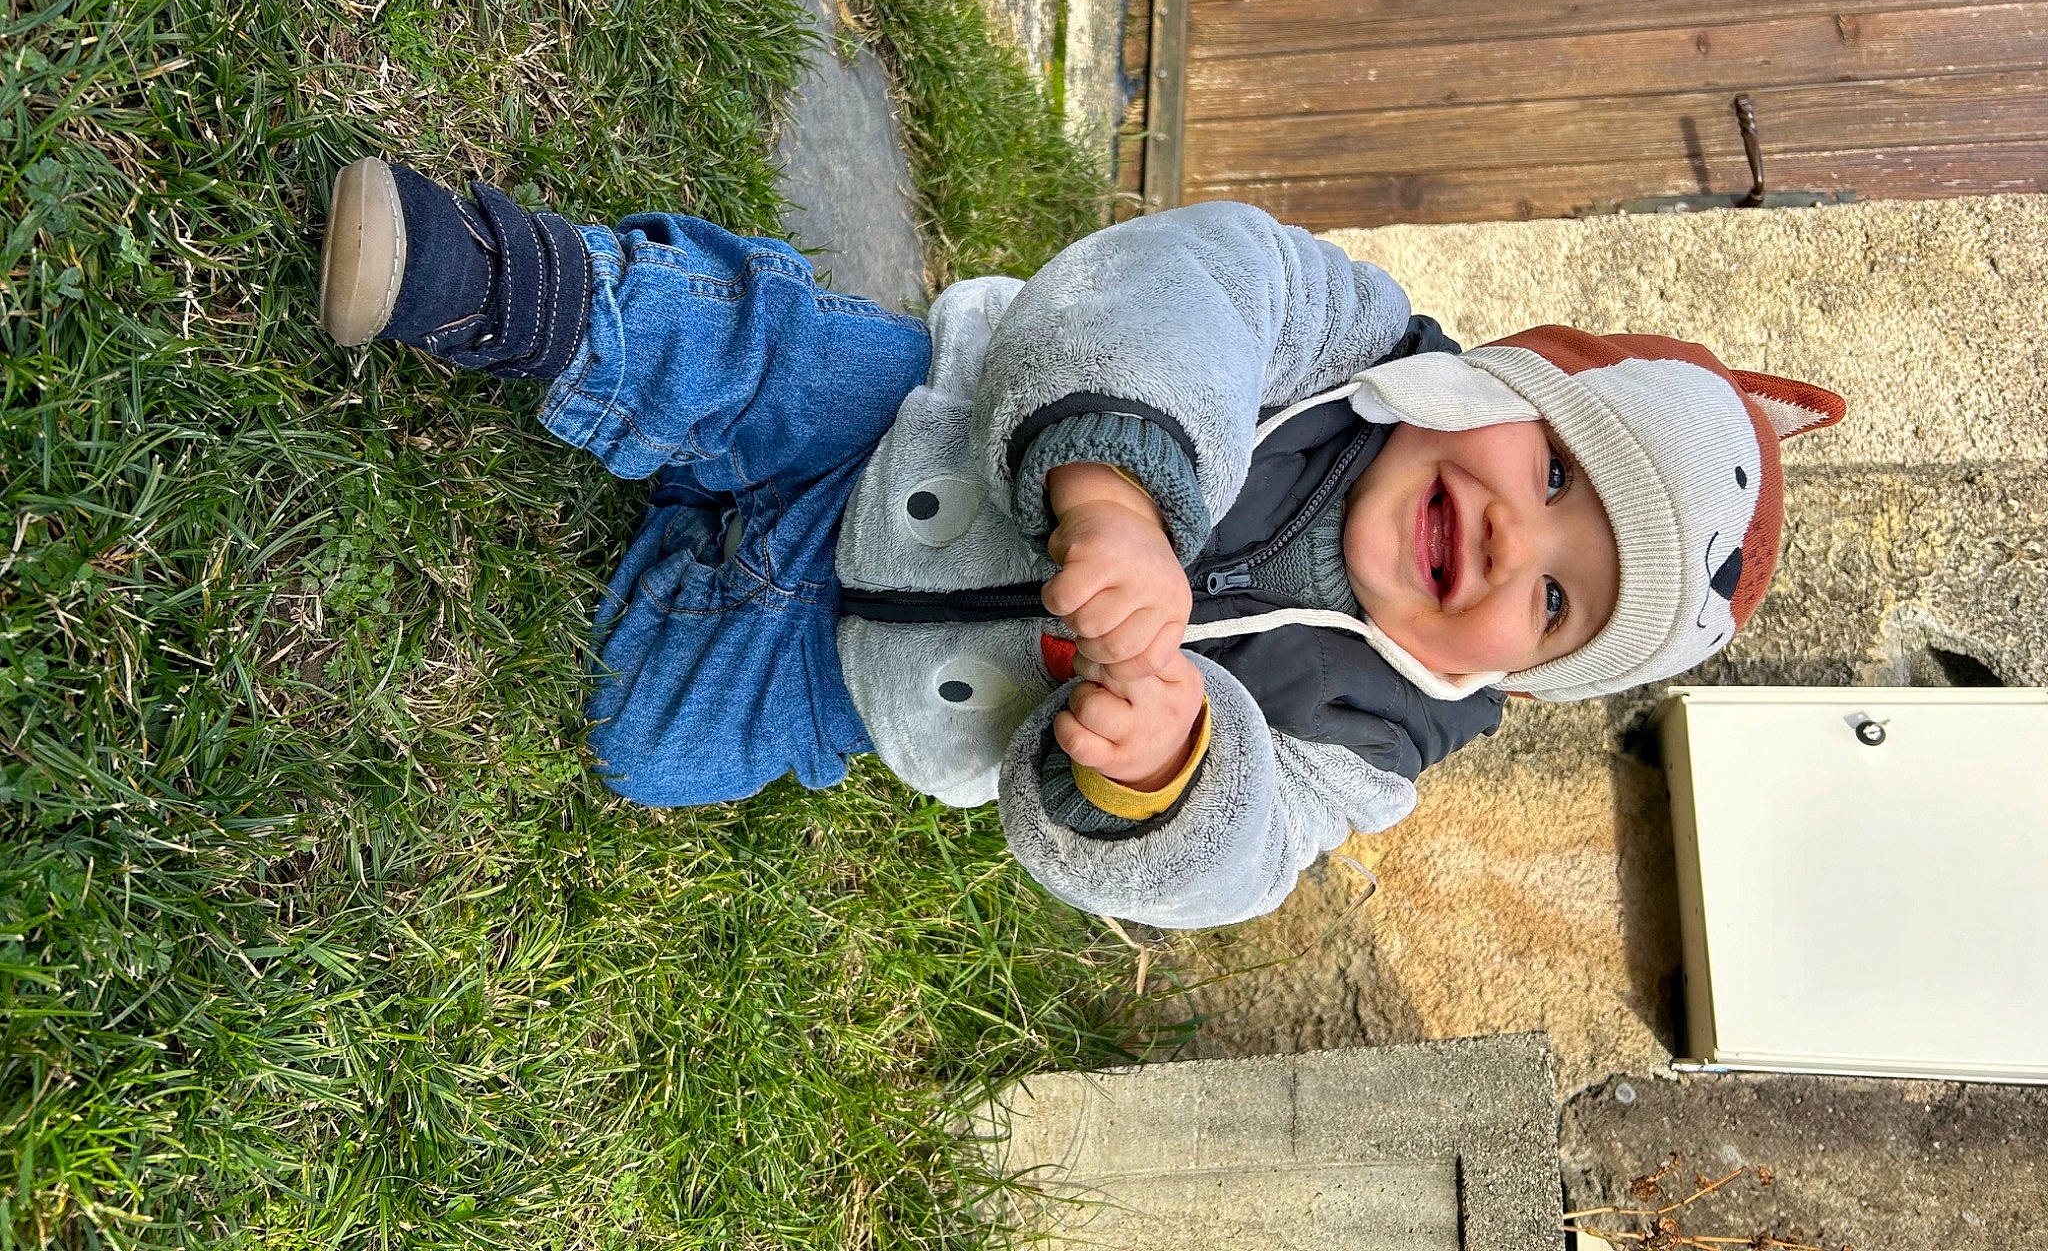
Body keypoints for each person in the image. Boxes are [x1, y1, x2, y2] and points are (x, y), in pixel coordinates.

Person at [319, 158, 1845, 928]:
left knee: (639, 741)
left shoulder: (1379, 742)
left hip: (869, 674)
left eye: (1566, 602)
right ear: (1506, 382)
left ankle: (689, 533)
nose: (1524, 544)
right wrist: (1118, 491)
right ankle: (505, 287)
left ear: (1525, 680)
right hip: (903, 427)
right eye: (1562, 471)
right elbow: (1188, 279)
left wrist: (1160, 770)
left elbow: (1239, 864)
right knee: (758, 358)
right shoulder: (1348, 345)